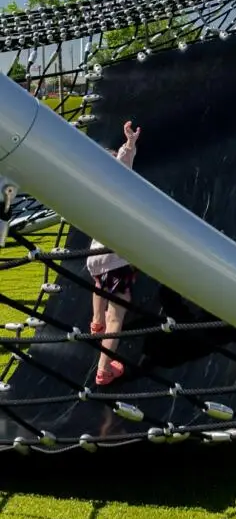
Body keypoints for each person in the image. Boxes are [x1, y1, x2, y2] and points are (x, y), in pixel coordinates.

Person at [86, 120, 141, 386]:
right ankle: (104, 369)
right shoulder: (114, 186)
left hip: (95, 255)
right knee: (116, 316)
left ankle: (95, 321)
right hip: (116, 256)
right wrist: (129, 144)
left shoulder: (92, 192)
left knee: (100, 283)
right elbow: (119, 167)